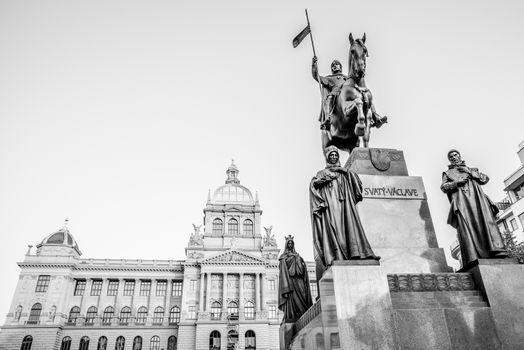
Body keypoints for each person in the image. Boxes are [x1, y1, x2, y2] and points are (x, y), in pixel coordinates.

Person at [309, 146, 379, 269]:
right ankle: (338, 256)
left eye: (336, 155)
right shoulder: (321, 173)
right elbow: (313, 186)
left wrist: (344, 171)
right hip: (330, 206)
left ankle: (356, 253)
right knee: (334, 228)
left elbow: (357, 184)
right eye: (331, 155)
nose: (334, 157)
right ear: (327, 157)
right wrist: (319, 182)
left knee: (350, 227)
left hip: (345, 206)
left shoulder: (344, 172)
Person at [441, 149, 507, 266]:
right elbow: (443, 187)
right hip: (462, 203)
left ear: (460, 156)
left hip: (478, 201)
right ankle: (473, 256)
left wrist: (470, 172)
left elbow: (485, 179)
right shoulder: (447, 173)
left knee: (486, 223)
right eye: (451, 156)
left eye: (456, 155)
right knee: (467, 226)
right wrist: (456, 183)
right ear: (449, 159)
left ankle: (496, 250)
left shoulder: (472, 170)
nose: (454, 157)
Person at [278, 236, 313, 323]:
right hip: (290, 281)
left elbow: (302, 267)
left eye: (291, 243)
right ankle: (291, 314)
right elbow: (282, 269)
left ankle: (303, 314)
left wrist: (300, 262)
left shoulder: (298, 255)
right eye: (288, 243)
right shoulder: (283, 257)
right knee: (292, 299)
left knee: (303, 295)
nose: (290, 245)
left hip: (298, 279)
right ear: (286, 245)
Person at [311, 56, 348, 130]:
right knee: (329, 98)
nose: (334, 66)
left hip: (347, 93)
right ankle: (327, 119)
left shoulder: (347, 77)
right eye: (333, 66)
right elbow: (316, 76)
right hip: (335, 92)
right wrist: (314, 65)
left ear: (340, 67)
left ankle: (371, 115)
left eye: (336, 64)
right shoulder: (329, 78)